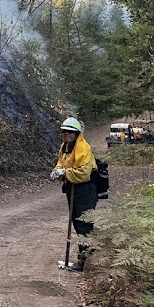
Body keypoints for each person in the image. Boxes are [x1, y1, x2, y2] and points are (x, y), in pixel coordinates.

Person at [49, 116, 98, 271]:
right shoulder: (65, 147)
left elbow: (84, 172)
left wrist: (66, 172)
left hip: (85, 189)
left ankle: (85, 260)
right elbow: (61, 163)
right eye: (64, 132)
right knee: (77, 222)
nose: (67, 135)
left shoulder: (83, 148)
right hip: (72, 189)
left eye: (70, 132)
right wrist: (57, 172)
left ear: (77, 133)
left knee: (84, 224)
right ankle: (87, 257)